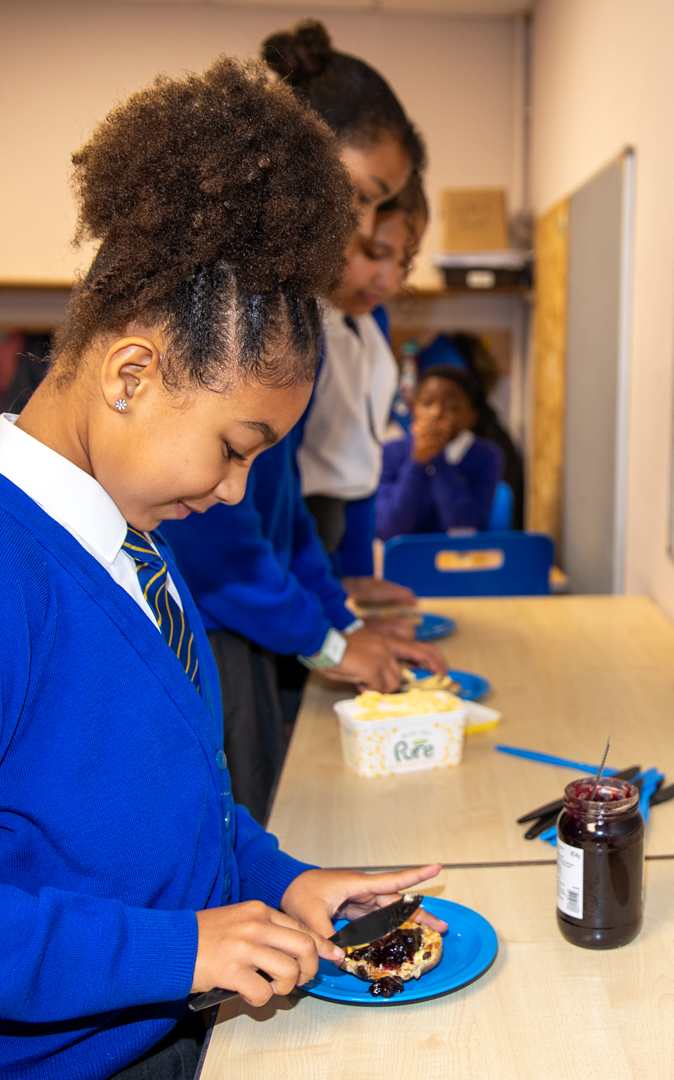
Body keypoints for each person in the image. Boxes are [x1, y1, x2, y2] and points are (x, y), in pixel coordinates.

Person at [0, 59, 445, 1080]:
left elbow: (177, 803)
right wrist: (178, 950)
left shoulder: (139, 543)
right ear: (131, 373)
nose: (233, 493)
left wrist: (283, 878)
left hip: (160, 1022)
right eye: (232, 448)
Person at [162, 20, 443, 821]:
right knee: (232, 820)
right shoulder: (225, 295)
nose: (364, 230)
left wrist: (340, 624)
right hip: (195, 614)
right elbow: (217, 533)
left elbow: (279, 515)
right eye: (361, 197)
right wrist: (326, 639)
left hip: (239, 606)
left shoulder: (285, 300)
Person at [301, 174, 428, 596]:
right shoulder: (303, 323)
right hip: (298, 531)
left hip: (343, 523)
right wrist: (327, 600)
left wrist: (358, 576)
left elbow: (362, 458)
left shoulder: (372, 318)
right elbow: (278, 487)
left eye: (405, 263)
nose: (391, 281)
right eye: (375, 253)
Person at [377, 363, 505, 538]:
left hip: (459, 554)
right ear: (414, 408)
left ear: (471, 417)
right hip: (405, 554)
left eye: (451, 407)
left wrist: (437, 457)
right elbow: (388, 530)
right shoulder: (390, 452)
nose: (436, 413)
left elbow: (466, 528)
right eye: (427, 403)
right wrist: (417, 462)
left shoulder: (486, 456)